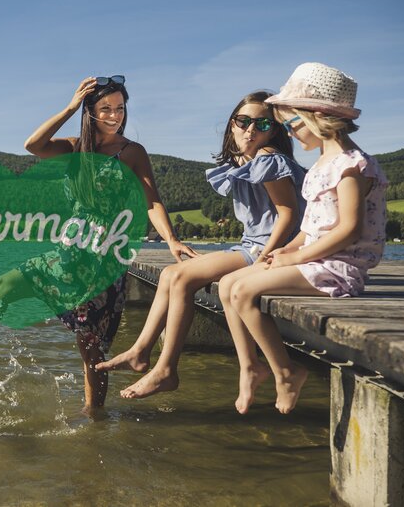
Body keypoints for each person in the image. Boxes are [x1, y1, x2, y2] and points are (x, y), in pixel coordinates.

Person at [0, 76, 195, 412]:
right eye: (106, 109)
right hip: (68, 251)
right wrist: (70, 107)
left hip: (104, 259)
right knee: (6, 283)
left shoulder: (132, 152)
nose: (115, 116)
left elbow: (151, 200)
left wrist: (171, 239)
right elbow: (33, 144)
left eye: (120, 109)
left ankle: (93, 413)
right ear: (91, 112)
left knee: (90, 345)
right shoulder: (74, 148)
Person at [96, 91, 307, 400]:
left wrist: (265, 256)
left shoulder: (267, 159)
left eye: (262, 123)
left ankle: (166, 369)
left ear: (274, 129)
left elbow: (288, 216)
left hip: (273, 249)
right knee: (170, 274)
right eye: (244, 121)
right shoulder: (242, 161)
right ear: (232, 125)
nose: (251, 130)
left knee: (182, 279)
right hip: (251, 245)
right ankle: (140, 351)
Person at [219, 62, 388, 414]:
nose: (291, 133)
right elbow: (310, 229)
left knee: (244, 290)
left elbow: (348, 229)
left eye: (293, 124)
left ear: (316, 116)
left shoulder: (351, 165)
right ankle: (250, 368)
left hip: (340, 266)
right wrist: (281, 251)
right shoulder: (322, 164)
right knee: (227, 285)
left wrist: (296, 258)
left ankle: (286, 372)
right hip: (315, 259)